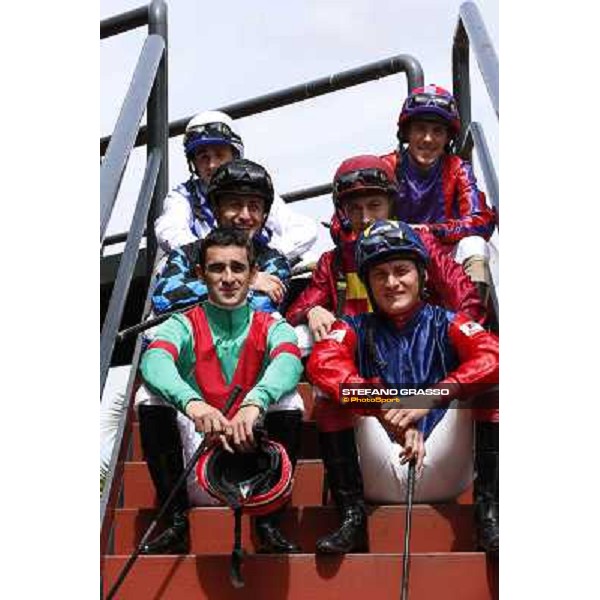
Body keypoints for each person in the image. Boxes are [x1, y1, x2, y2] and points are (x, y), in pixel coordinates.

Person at [306, 220, 499, 555]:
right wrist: (383, 405)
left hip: (444, 465)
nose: (392, 283)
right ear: (366, 283)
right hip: (379, 467)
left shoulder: (449, 321)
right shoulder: (351, 325)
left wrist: (430, 397)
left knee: (495, 385)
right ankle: (352, 519)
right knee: (327, 394)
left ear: (421, 275)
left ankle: (490, 516)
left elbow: (494, 356)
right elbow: (322, 365)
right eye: (379, 274)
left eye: (401, 270)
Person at [136, 228, 304, 555]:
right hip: (198, 463)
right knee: (149, 395)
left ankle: (267, 523)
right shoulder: (181, 323)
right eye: (217, 268)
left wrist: (254, 403)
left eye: (238, 268)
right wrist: (194, 404)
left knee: (291, 398)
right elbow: (154, 360)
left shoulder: (272, 325)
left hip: (253, 464)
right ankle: (175, 523)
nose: (228, 278)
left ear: (253, 274)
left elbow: (289, 360)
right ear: (201, 274)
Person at [285, 154, 486, 343]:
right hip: (360, 356)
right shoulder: (332, 261)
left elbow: (464, 297)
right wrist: (311, 310)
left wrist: (463, 341)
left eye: (374, 206)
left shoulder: (421, 242)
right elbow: (295, 311)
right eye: (355, 208)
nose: (365, 218)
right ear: (343, 212)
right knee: (300, 335)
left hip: (419, 351)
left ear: (391, 204)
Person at [380, 85, 496, 302]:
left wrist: (429, 231)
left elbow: (481, 221)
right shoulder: (387, 167)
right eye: (420, 129)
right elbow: (349, 219)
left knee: (474, 245)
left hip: (445, 262)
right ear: (406, 133)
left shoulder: (457, 168)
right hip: (395, 261)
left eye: (437, 131)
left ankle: (474, 323)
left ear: (447, 137)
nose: (428, 139)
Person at [154, 110, 318, 264]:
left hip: (258, 274)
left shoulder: (255, 189)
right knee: (165, 263)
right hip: (207, 277)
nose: (212, 165)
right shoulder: (183, 196)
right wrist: (221, 258)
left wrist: (260, 261)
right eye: (203, 157)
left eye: (219, 155)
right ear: (193, 163)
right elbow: (169, 231)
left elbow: (305, 229)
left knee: (309, 259)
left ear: (235, 156)